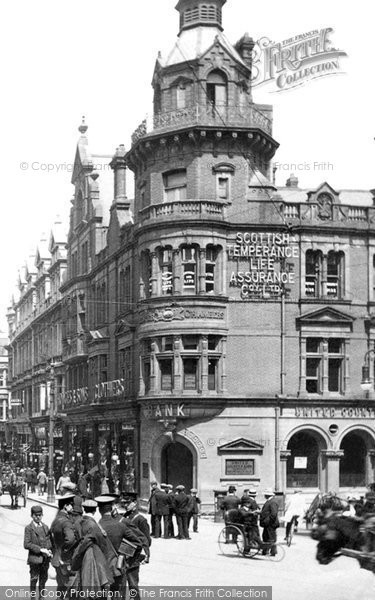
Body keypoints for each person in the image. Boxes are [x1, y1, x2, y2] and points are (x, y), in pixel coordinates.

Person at [96, 495, 143, 596]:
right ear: (112, 509)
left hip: (101, 569)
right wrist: (122, 554)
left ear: (99, 510)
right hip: (117, 568)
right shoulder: (120, 526)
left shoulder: (96, 527)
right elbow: (138, 543)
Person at [72, 499, 113, 592]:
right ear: (95, 510)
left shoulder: (77, 522)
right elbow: (102, 543)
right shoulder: (94, 525)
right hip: (92, 555)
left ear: (84, 509)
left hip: (79, 555)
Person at [120, 493, 151, 600]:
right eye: (124, 503)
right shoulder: (124, 516)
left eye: (128, 503)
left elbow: (146, 539)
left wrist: (146, 553)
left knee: (133, 583)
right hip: (123, 554)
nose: (125, 505)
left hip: (133, 556)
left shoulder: (140, 519)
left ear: (135, 503)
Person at [50, 493, 79, 593]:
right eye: (71, 504)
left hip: (56, 559)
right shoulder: (66, 522)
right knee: (69, 588)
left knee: (60, 587)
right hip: (65, 561)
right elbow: (70, 539)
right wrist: (66, 551)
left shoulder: (56, 520)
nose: (73, 507)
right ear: (65, 506)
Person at [24, 505, 53, 597]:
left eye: (40, 515)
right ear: (32, 515)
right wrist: (41, 550)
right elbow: (27, 544)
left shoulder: (45, 527)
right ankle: (32, 598)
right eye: (36, 515)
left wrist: (49, 550)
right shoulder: (29, 528)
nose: (38, 517)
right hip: (35, 559)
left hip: (45, 560)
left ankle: (41, 598)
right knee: (34, 580)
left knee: (43, 581)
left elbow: (49, 541)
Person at [260, 489, 280, 556]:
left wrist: (267, 520)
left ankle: (272, 551)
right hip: (268, 523)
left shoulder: (272, 502)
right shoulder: (270, 501)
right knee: (266, 536)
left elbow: (273, 514)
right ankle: (266, 550)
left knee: (271, 537)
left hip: (270, 523)